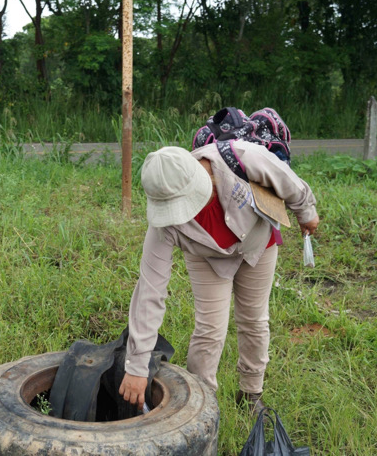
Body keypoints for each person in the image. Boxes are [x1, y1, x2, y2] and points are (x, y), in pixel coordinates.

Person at [118, 143, 319, 415]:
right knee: (210, 329)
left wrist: (306, 212)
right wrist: (137, 366)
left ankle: (250, 393)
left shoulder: (240, 159)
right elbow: (150, 292)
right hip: (207, 258)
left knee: (254, 319)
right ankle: (201, 406)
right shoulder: (164, 227)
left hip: (257, 244)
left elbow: (285, 179)